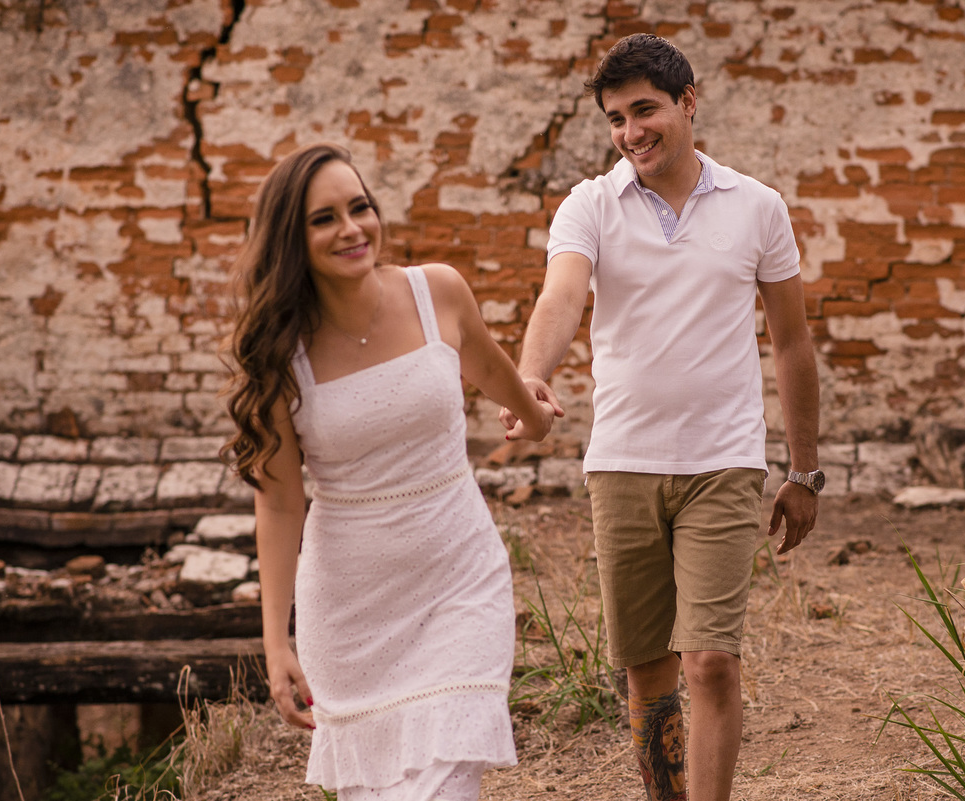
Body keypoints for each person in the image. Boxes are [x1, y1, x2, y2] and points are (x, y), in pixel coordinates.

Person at [500, 33, 822, 801]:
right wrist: (531, 373)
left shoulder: (757, 207)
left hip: (723, 462)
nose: (630, 132)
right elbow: (560, 296)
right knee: (647, 671)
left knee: (710, 661)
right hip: (621, 465)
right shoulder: (590, 205)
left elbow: (792, 341)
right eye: (615, 118)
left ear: (688, 102)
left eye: (644, 110)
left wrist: (805, 471)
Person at [221, 142, 555, 801]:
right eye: (324, 218)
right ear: (291, 240)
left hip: (461, 579)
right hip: (351, 614)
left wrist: (534, 417)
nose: (352, 229)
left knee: (447, 786)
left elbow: (493, 371)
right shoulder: (280, 355)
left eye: (360, 207)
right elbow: (280, 504)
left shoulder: (438, 292)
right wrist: (275, 641)